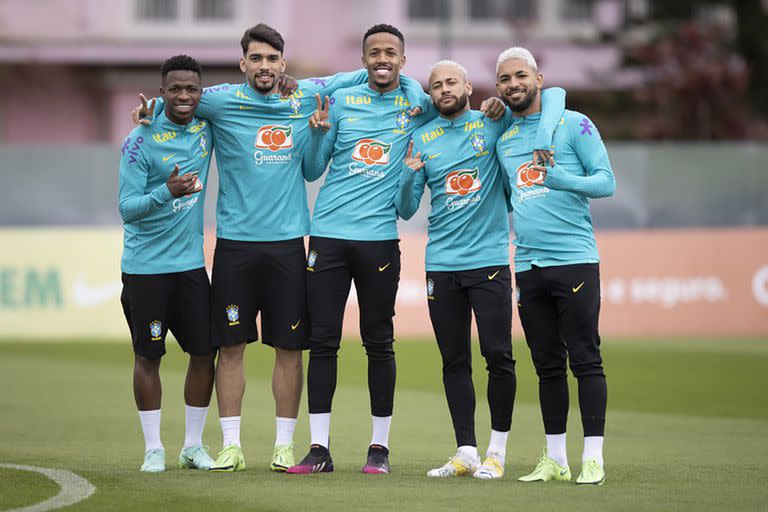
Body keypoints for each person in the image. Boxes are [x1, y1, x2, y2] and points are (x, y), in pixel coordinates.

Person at [133, 23, 427, 473]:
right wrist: (152, 109)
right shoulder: (220, 101)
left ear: (283, 64)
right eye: (256, 58)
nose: (265, 66)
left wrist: (401, 75)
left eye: (273, 59)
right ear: (243, 63)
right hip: (234, 246)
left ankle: (284, 446)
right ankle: (231, 445)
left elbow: (361, 75)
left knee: (291, 349)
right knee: (230, 348)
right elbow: (182, 98)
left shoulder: (305, 96)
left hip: (291, 244)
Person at [287, 25, 505, 475]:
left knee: (379, 343)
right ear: (364, 59)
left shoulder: (418, 104)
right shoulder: (343, 101)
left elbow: (452, 111)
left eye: (391, 52)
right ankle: (319, 449)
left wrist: (491, 105)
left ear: (404, 61)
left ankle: (379, 450)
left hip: (380, 240)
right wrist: (315, 134)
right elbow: (311, 170)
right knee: (323, 342)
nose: (382, 58)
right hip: (327, 235)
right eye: (374, 52)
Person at [395, 60, 564, 480]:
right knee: (453, 361)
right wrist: (407, 174)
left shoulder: (493, 121)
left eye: (452, 82)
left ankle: (497, 452)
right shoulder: (421, 137)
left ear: (468, 86)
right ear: (430, 95)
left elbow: (549, 98)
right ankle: (465, 452)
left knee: (498, 356)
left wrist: (498, 105)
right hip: (441, 266)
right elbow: (405, 208)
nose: (444, 90)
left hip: (489, 263)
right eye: (436, 86)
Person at [495, 47, 616, 485]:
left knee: (586, 358)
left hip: (575, 260)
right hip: (527, 264)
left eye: (521, 75)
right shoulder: (504, 136)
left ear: (539, 78)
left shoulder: (573, 124)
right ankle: (556, 459)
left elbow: (606, 181)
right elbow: (509, 195)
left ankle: (594, 458)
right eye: (504, 79)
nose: (513, 84)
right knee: (546, 365)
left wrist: (561, 178)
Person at [118, 55, 215, 473]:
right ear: (161, 91)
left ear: (200, 92)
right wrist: (166, 193)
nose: (183, 96)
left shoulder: (206, 127)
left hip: (190, 267)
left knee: (204, 352)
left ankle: (192, 446)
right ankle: (153, 448)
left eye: (191, 89)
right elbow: (127, 208)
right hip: (146, 270)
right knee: (148, 356)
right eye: (174, 89)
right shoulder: (138, 140)